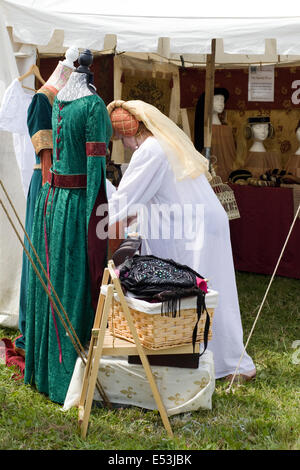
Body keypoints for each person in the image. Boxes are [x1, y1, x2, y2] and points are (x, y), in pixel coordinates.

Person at [107, 99, 256, 381]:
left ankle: (219, 361)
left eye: (122, 138)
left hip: (194, 228)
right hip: (203, 222)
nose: (124, 145)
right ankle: (228, 360)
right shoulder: (164, 143)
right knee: (215, 291)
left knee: (198, 292)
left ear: (132, 130)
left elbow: (121, 203)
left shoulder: (150, 151)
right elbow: (157, 193)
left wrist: (101, 205)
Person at [24, 51, 112, 404]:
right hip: (77, 204)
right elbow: (96, 171)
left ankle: (44, 369)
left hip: (53, 201)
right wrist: (97, 217)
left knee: (54, 281)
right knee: (75, 280)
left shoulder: (58, 99)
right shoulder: (93, 106)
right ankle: (68, 375)